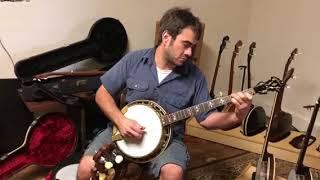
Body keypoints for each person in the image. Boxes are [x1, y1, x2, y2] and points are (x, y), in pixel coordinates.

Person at [77, 7, 252, 180]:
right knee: (85, 169)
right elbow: (102, 94)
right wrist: (121, 121)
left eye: (193, 47)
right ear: (166, 37)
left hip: (169, 140)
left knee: (173, 174)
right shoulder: (134, 60)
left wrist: (236, 117)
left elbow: (207, 119)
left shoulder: (196, 77)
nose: (190, 53)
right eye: (186, 45)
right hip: (123, 131)